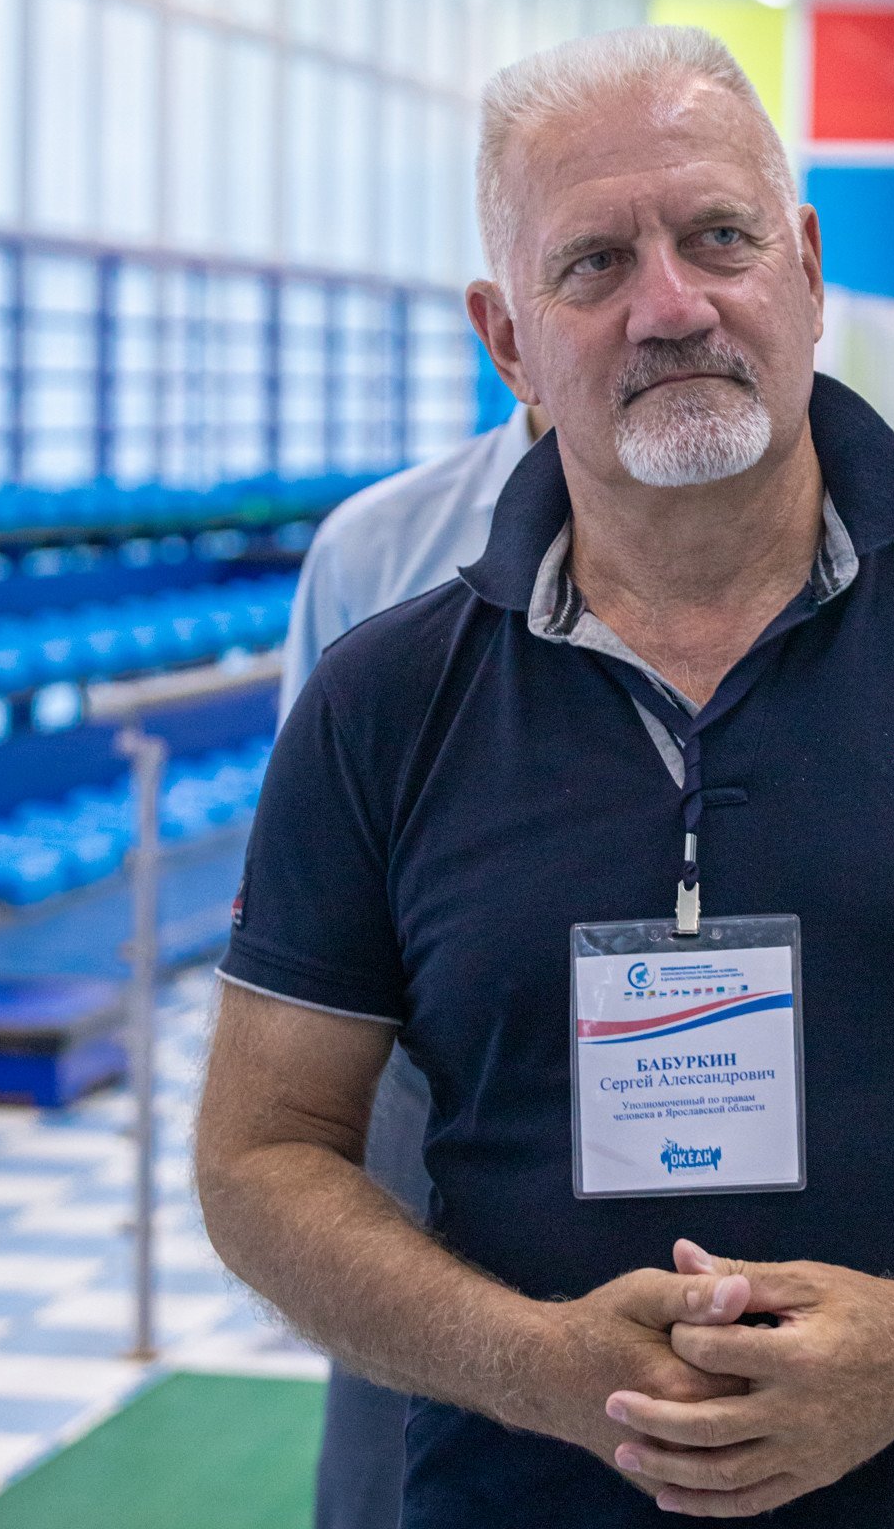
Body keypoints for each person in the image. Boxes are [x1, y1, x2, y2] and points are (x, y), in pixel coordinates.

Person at [198, 25, 894, 1528]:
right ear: (507, 340)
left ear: (806, 268)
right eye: (594, 263)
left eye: (719, 237)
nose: (672, 306)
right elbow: (263, 1149)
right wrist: (535, 1365)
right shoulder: (382, 701)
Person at [278, 404, 540, 1529]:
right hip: (423, 1078)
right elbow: (305, 874)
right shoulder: (377, 545)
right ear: (504, 333)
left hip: (693, 1064)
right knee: (396, 1444)